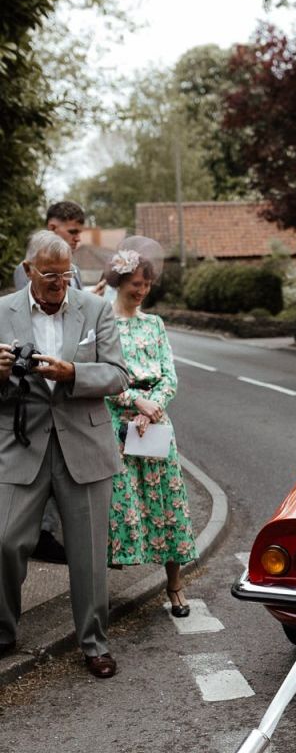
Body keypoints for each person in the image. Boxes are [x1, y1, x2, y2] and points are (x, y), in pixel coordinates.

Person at [0, 231, 129, 678]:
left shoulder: (95, 309)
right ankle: (3, 631)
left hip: (84, 443)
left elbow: (118, 375)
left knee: (89, 552)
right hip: (21, 443)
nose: (59, 283)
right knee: (4, 540)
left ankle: (94, 644)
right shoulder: (2, 311)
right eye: (49, 274)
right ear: (28, 269)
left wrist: (73, 372)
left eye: (65, 274)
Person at [103, 238, 197, 618]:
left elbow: (169, 376)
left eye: (147, 284)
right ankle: (101, 593)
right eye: (135, 283)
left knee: (167, 503)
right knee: (120, 506)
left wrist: (152, 407)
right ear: (119, 280)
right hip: (118, 426)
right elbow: (103, 378)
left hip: (155, 425)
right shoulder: (103, 323)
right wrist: (133, 402)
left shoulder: (154, 324)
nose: (141, 291)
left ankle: (175, 584)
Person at [14, 201, 107, 564]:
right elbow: (37, 328)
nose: (78, 238)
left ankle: (53, 535)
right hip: (40, 402)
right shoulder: (32, 271)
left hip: (73, 400)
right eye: (72, 231)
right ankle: (39, 536)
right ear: (53, 228)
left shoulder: (71, 270)